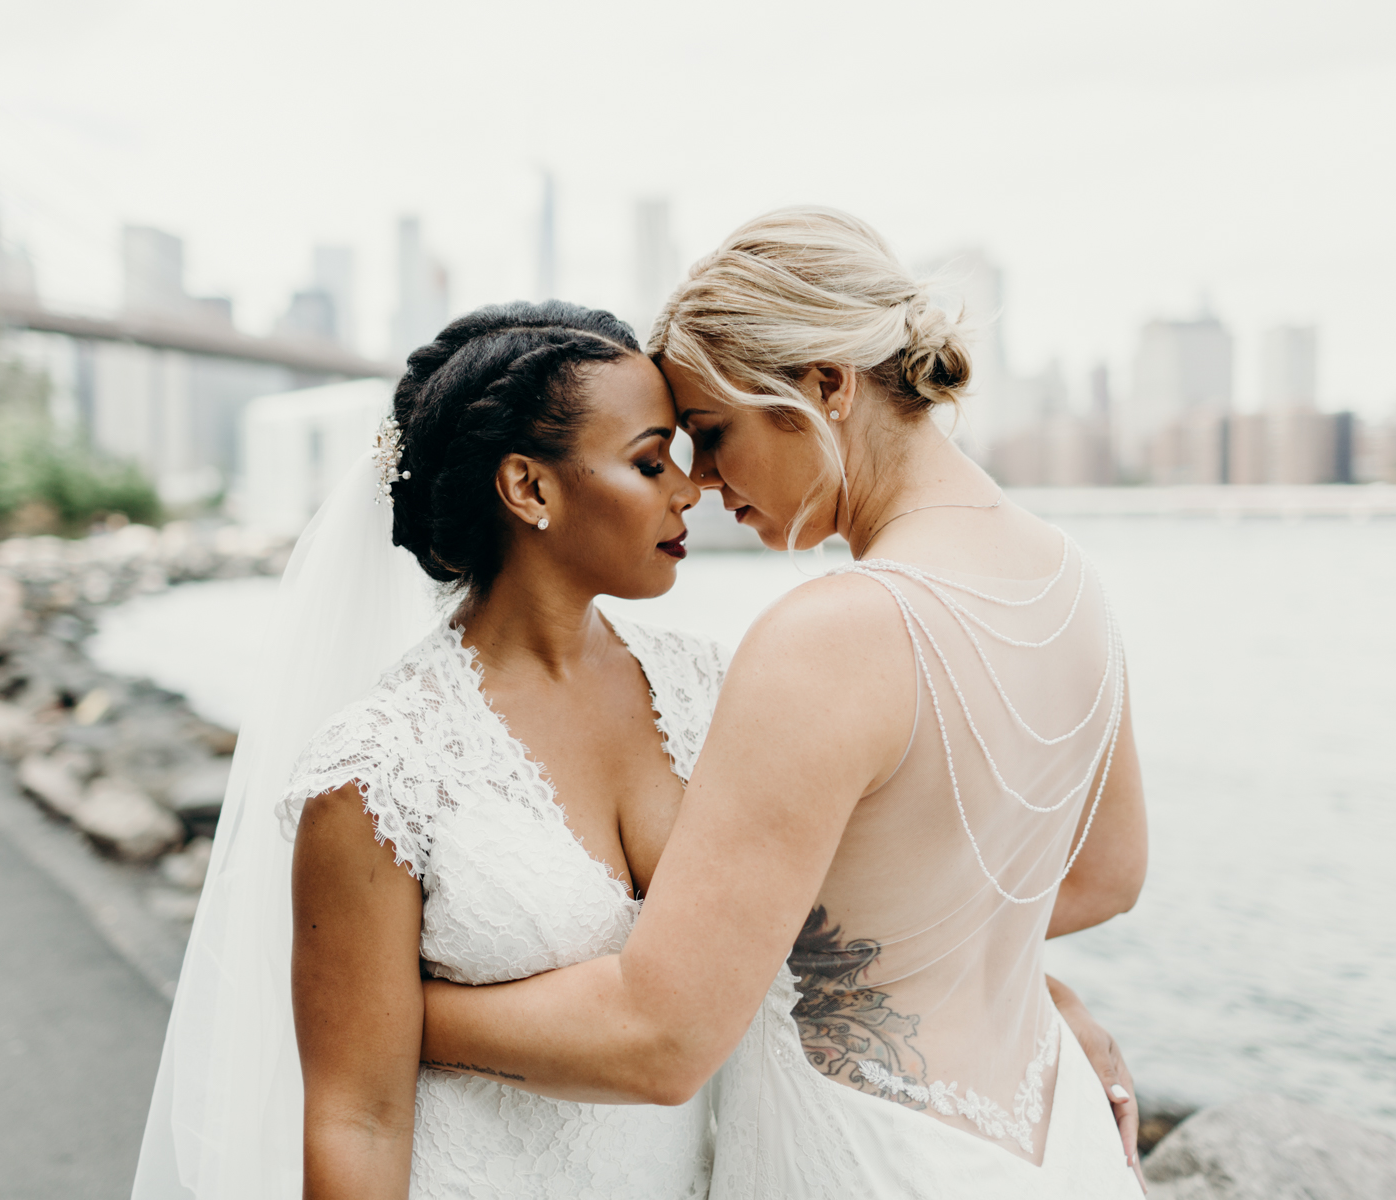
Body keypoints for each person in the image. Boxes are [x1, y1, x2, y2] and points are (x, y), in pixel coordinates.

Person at [132, 297, 1137, 1199]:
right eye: (654, 460)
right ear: (529, 487)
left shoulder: (719, 691)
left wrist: (1026, 999)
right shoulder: (379, 769)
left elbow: (843, 917)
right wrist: (370, 1026)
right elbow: (358, 1113)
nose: (692, 492)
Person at [415, 210, 1150, 1198]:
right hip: (1051, 1144)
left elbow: (662, 1037)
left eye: (713, 434)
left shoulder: (834, 634)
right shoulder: (1074, 582)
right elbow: (1107, 877)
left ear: (827, 385)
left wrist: (380, 1006)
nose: (703, 481)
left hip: (868, 1162)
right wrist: (962, 964)